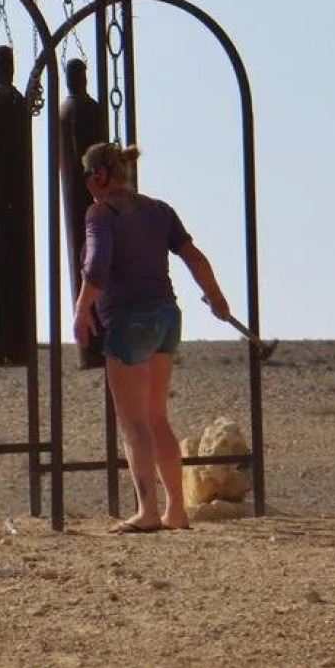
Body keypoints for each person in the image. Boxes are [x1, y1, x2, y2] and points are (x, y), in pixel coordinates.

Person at [71, 141, 231, 533]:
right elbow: (193, 255)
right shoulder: (159, 210)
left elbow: (97, 266)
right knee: (158, 418)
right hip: (166, 318)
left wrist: (81, 310)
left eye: (89, 176)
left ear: (100, 176)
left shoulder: (100, 214)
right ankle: (176, 511)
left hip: (130, 322)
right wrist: (217, 298)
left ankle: (146, 511)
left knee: (134, 423)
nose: (88, 184)